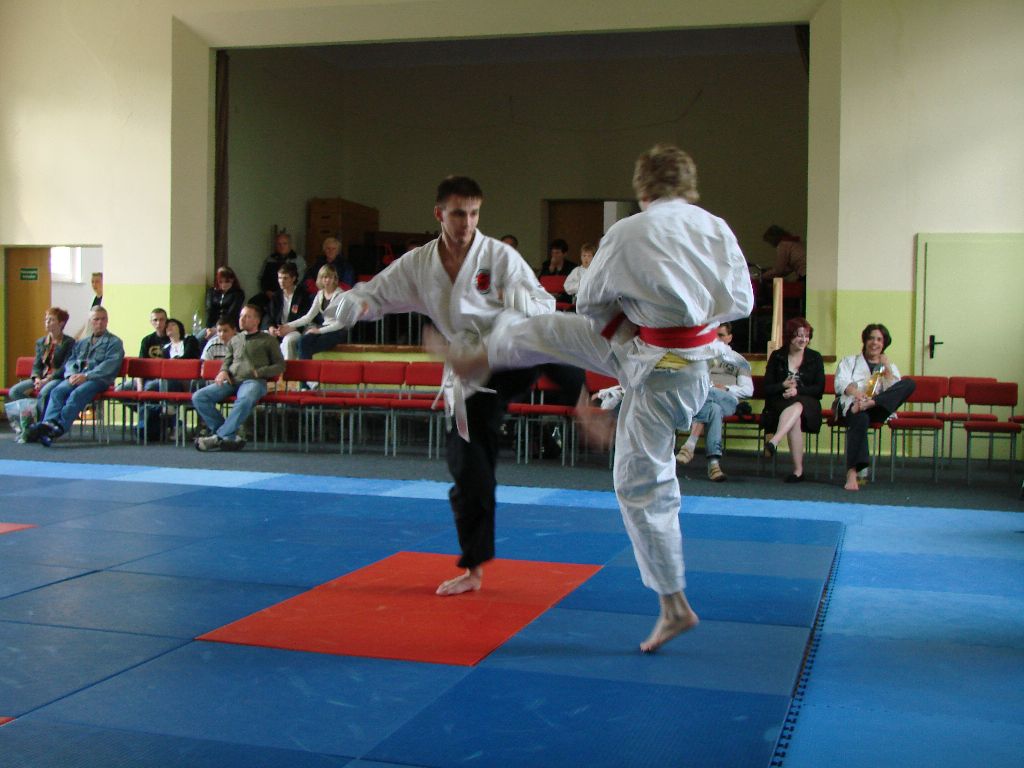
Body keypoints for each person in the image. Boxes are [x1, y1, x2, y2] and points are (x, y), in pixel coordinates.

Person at [439, 145, 754, 652]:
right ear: (687, 186)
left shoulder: (630, 230)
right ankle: (482, 357)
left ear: (643, 188)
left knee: (640, 482)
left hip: (658, 370)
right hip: (672, 359)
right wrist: (677, 315)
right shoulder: (716, 228)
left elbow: (589, 300)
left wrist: (638, 316)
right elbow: (741, 301)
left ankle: (675, 605)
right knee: (544, 328)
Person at [331, 175, 584, 597]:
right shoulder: (418, 264)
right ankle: (474, 568)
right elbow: (376, 293)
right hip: (471, 376)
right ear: (439, 214)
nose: (466, 223)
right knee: (469, 469)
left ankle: (585, 404)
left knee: (540, 337)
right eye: (458, 214)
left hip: (507, 352)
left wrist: (517, 314)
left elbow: (542, 308)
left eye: (473, 213)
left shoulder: (499, 257)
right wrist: (353, 305)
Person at [25, 306, 125, 447]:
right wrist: (71, 374)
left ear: (107, 321)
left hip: (98, 380)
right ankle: (48, 424)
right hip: (77, 377)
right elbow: (71, 361)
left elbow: (109, 366)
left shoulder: (114, 342)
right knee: (58, 391)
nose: (100, 323)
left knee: (77, 394)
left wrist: (86, 376)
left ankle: (59, 428)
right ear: (90, 322)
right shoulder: (82, 343)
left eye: (103, 319)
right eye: (96, 319)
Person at [192, 303, 284, 452]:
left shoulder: (268, 340)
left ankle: (218, 437)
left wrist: (260, 372)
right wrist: (223, 371)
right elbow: (227, 361)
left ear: (257, 320)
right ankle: (227, 436)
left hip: (253, 381)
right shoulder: (235, 340)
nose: (242, 319)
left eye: (247, 316)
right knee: (199, 397)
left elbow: (280, 365)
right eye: (241, 316)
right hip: (232, 380)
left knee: (245, 399)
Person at [834, 323, 916, 491]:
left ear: (884, 344)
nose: (875, 343)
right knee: (860, 418)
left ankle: (869, 404)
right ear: (865, 341)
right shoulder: (849, 361)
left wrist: (887, 370)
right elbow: (840, 383)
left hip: (876, 406)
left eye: (879, 339)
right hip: (853, 406)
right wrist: (857, 394)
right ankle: (852, 473)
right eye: (871, 338)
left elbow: (893, 392)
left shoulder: (889, 366)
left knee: (909, 383)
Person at [675, 322, 753, 481]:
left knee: (709, 394)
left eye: (721, 335)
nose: (716, 339)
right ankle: (714, 465)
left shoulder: (740, 361)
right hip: (706, 401)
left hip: (728, 400)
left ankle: (691, 443)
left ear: (729, 338)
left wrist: (726, 388)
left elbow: (748, 390)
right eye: (714, 335)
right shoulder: (702, 357)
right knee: (714, 409)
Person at [761, 317, 825, 482]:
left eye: (806, 336)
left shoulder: (815, 357)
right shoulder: (777, 356)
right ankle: (798, 471)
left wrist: (798, 391)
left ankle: (775, 440)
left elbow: (819, 389)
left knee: (798, 406)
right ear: (790, 336)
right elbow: (767, 388)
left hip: (808, 403)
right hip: (780, 403)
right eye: (799, 335)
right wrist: (782, 385)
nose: (804, 340)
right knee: (795, 415)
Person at [6, 307, 76, 422]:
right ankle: (33, 413)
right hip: (42, 377)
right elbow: (37, 364)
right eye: (46, 319)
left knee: (44, 393)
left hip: (57, 378)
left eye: (51, 320)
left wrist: (47, 380)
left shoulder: (69, 342)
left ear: (61, 323)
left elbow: (66, 366)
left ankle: (39, 424)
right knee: (14, 391)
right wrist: (37, 378)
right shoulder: (41, 342)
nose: (47, 322)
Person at [138, 318, 201, 442]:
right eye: (167, 327)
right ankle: (163, 419)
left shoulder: (189, 340)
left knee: (152, 386)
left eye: (173, 325)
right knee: (159, 383)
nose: (169, 328)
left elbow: (190, 358)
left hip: (188, 380)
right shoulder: (166, 349)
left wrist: (174, 362)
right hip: (169, 380)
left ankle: (168, 412)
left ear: (180, 327)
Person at [276, 264, 350, 364]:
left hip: (338, 331)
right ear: (320, 279)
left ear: (335, 279)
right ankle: (306, 371)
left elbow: (340, 324)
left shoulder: (341, 295)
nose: (327, 280)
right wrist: (288, 325)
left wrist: (318, 331)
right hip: (324, 328)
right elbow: (308, 317)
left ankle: (307, 371)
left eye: (330, 277)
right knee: (302, 342)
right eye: (324, 277)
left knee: (306, 346)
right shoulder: (320, 294)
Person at [265, 262, 311, 359]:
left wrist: (290, 328)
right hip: (278, 329)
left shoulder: (302, 295)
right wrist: (271, 328)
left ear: (293, 278)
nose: (281, 281)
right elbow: (270, 316)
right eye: (279, 278)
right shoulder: (276, 296)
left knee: (288, 341)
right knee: (262, 337)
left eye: (285, 278)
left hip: (294, 329)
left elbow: (304, 318)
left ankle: (288, 366)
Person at [254, 232, 304, 311]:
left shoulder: (298, 260)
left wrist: (280, 294)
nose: (282, 246)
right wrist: (267, 291)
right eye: (279, 244)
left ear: (290, 245)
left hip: (290, 294)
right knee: (254, 302)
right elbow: (262, 278)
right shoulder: (269, 259)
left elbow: (300, 280)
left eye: (284, 244)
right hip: (269, 294)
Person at [200, 266, 245, 341]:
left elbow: (232, 313)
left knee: (214, 340)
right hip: (212, 326)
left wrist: (217, 329)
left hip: (229, 326)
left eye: (227, 281)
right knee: (198, 339)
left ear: (232, 280)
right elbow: (209, 310)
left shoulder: (238, 293)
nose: (224, 284)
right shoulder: (212, 292)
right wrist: (208, 328)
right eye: (220, 282)